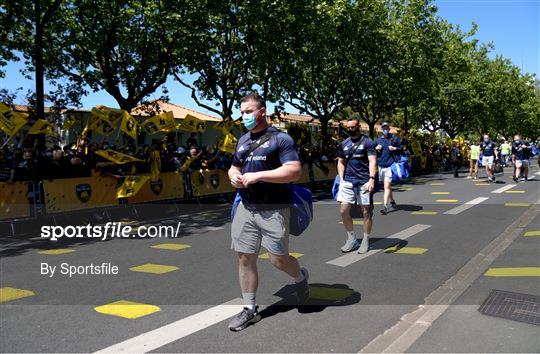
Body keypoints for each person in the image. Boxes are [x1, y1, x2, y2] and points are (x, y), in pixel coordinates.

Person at [227, 92, 309, 332]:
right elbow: (234, 167)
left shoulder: (280, 139)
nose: (245, 116)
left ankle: (301, 277)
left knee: (278, 259)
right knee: (245, 256)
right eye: (242, 112)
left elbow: (294, 171)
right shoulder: (242, 141)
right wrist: (234, 176)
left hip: (274, 209)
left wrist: (259, 175)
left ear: (262, 111)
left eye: (249, 111)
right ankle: (250, 309)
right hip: (245, 206)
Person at [336, 118, 378, 254]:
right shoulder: (344, 143)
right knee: (343, 211)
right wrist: (342, 180)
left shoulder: (368, 142)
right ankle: (352, 239)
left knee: (366, 211)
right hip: (348, 181)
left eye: (353, 127)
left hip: (364, 181)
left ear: (359, 127)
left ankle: (365, 240)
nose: (350, 130)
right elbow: (341, 162)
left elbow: (372, 161)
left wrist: (371, 179)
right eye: (348, 128)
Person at [375, 122, 401, 214]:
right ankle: (392, 200)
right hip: (380, 166)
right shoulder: (378, 140)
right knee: (388, 186)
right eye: (383, 128)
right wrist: (376, 148)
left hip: (390, 165)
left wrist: (395, 148)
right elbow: (371, 151)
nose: (385, 130)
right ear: (382, 130)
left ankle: (385, 206)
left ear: (389, 129)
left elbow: (401, 148)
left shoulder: (394, 139)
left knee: (386, 186)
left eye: (386, 128)